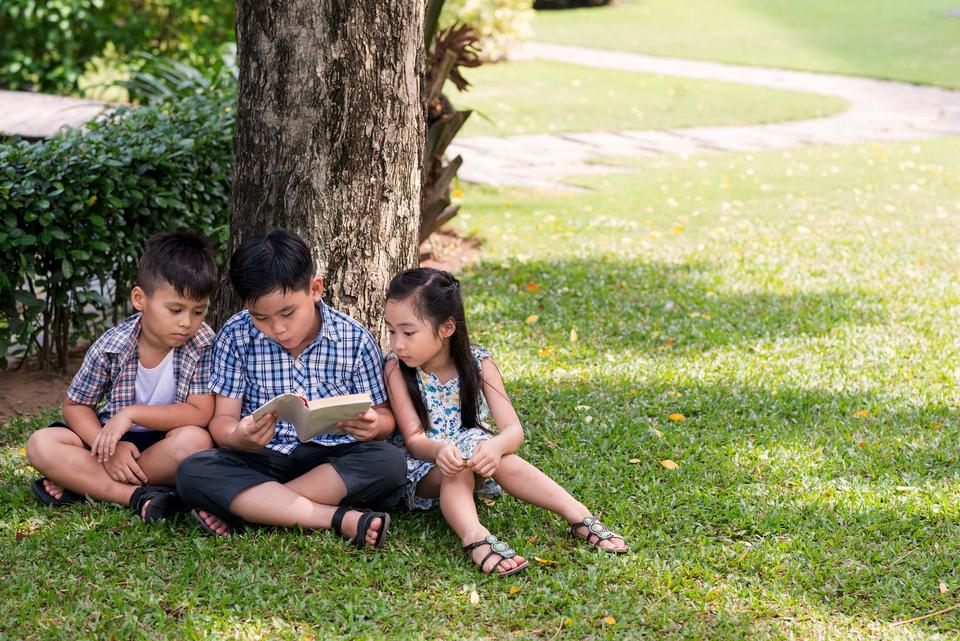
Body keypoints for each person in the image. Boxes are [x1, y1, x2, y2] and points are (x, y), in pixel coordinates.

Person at [383, 267, 628, 577]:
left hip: (476, 461)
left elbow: (513, 431)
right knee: (459, 462)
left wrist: (495, 448)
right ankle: (475, 537)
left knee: (492, 452)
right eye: (392, 331)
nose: (397, 343)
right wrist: (440, 452)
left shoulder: (478, 364)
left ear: (445, 328)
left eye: (408, 332)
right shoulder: (396, 369)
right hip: (426, 471)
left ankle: (578, 515)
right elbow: (415, 441)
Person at [175, 229, 406, 548]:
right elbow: (222, 421)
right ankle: (337, 518)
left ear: (315, 289)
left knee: (389, 462)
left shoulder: (354, 340)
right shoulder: (236, 335)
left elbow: (385, 418)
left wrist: (375, 426)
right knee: (193, 470)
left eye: (287, 313)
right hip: (263, 458)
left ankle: (254, 508)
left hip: (330, 459)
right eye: (261, 318)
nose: (278, 328)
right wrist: (237, 436)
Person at [26, 231, 218, 522]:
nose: (186, 322)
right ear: (140, 299)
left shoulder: (202, 343)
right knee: (42, 444)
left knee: (196, 442)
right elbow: (76, 405)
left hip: (162, 445)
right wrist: (110, 448)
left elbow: (200, 412)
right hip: (110, 440)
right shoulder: (113, 346)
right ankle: (139, 495)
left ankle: (83, 485)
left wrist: (131, 414)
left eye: (198, 311)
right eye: (175, 309)